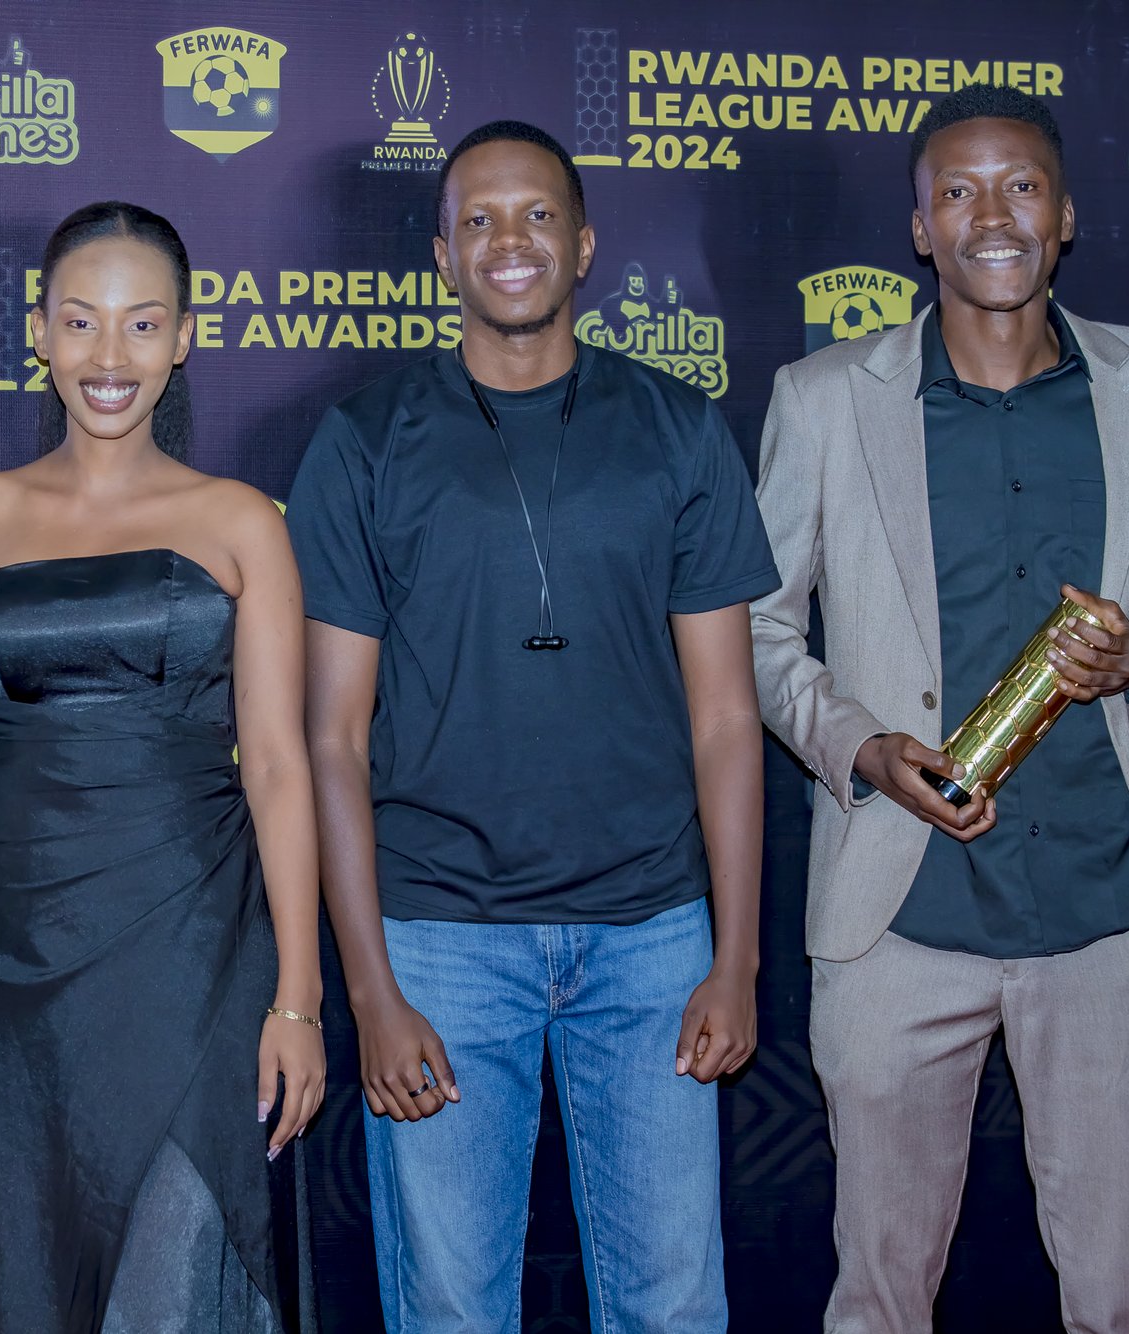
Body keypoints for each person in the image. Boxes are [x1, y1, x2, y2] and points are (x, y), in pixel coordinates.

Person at [749, 85, 1129, 1331]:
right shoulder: (821, 397)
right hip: (896, 910)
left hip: (1104, 905)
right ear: (919, 227)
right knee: (878, 1295)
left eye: (1020, 186)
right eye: (958, 191)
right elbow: (754, 628)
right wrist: (860, 746)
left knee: (1117, 1294)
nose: (991, 215)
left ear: (1064, 216)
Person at [286, 119, 775, 1331]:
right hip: (438, 938)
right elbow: (330, 738)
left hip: (651, 936)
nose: (510, 240)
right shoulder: (363, 441)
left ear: (585, 245)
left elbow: (726, 716)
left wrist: (735, 957)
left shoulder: (677, 426)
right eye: (479, 220)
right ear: (442, 255)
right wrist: (369, 987)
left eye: (538, 214)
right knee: (451, 1308)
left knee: (671, 1304)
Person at [0, 200, 325, 1333]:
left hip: (197, 958)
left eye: (142, 324)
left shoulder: (240, 521)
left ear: (184, 337)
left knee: (175, 1274)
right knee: (29, 1274)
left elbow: (278, 766)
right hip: (7, 973)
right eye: (81, 321)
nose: (110, 355)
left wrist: (297, 997)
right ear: (38, 332)